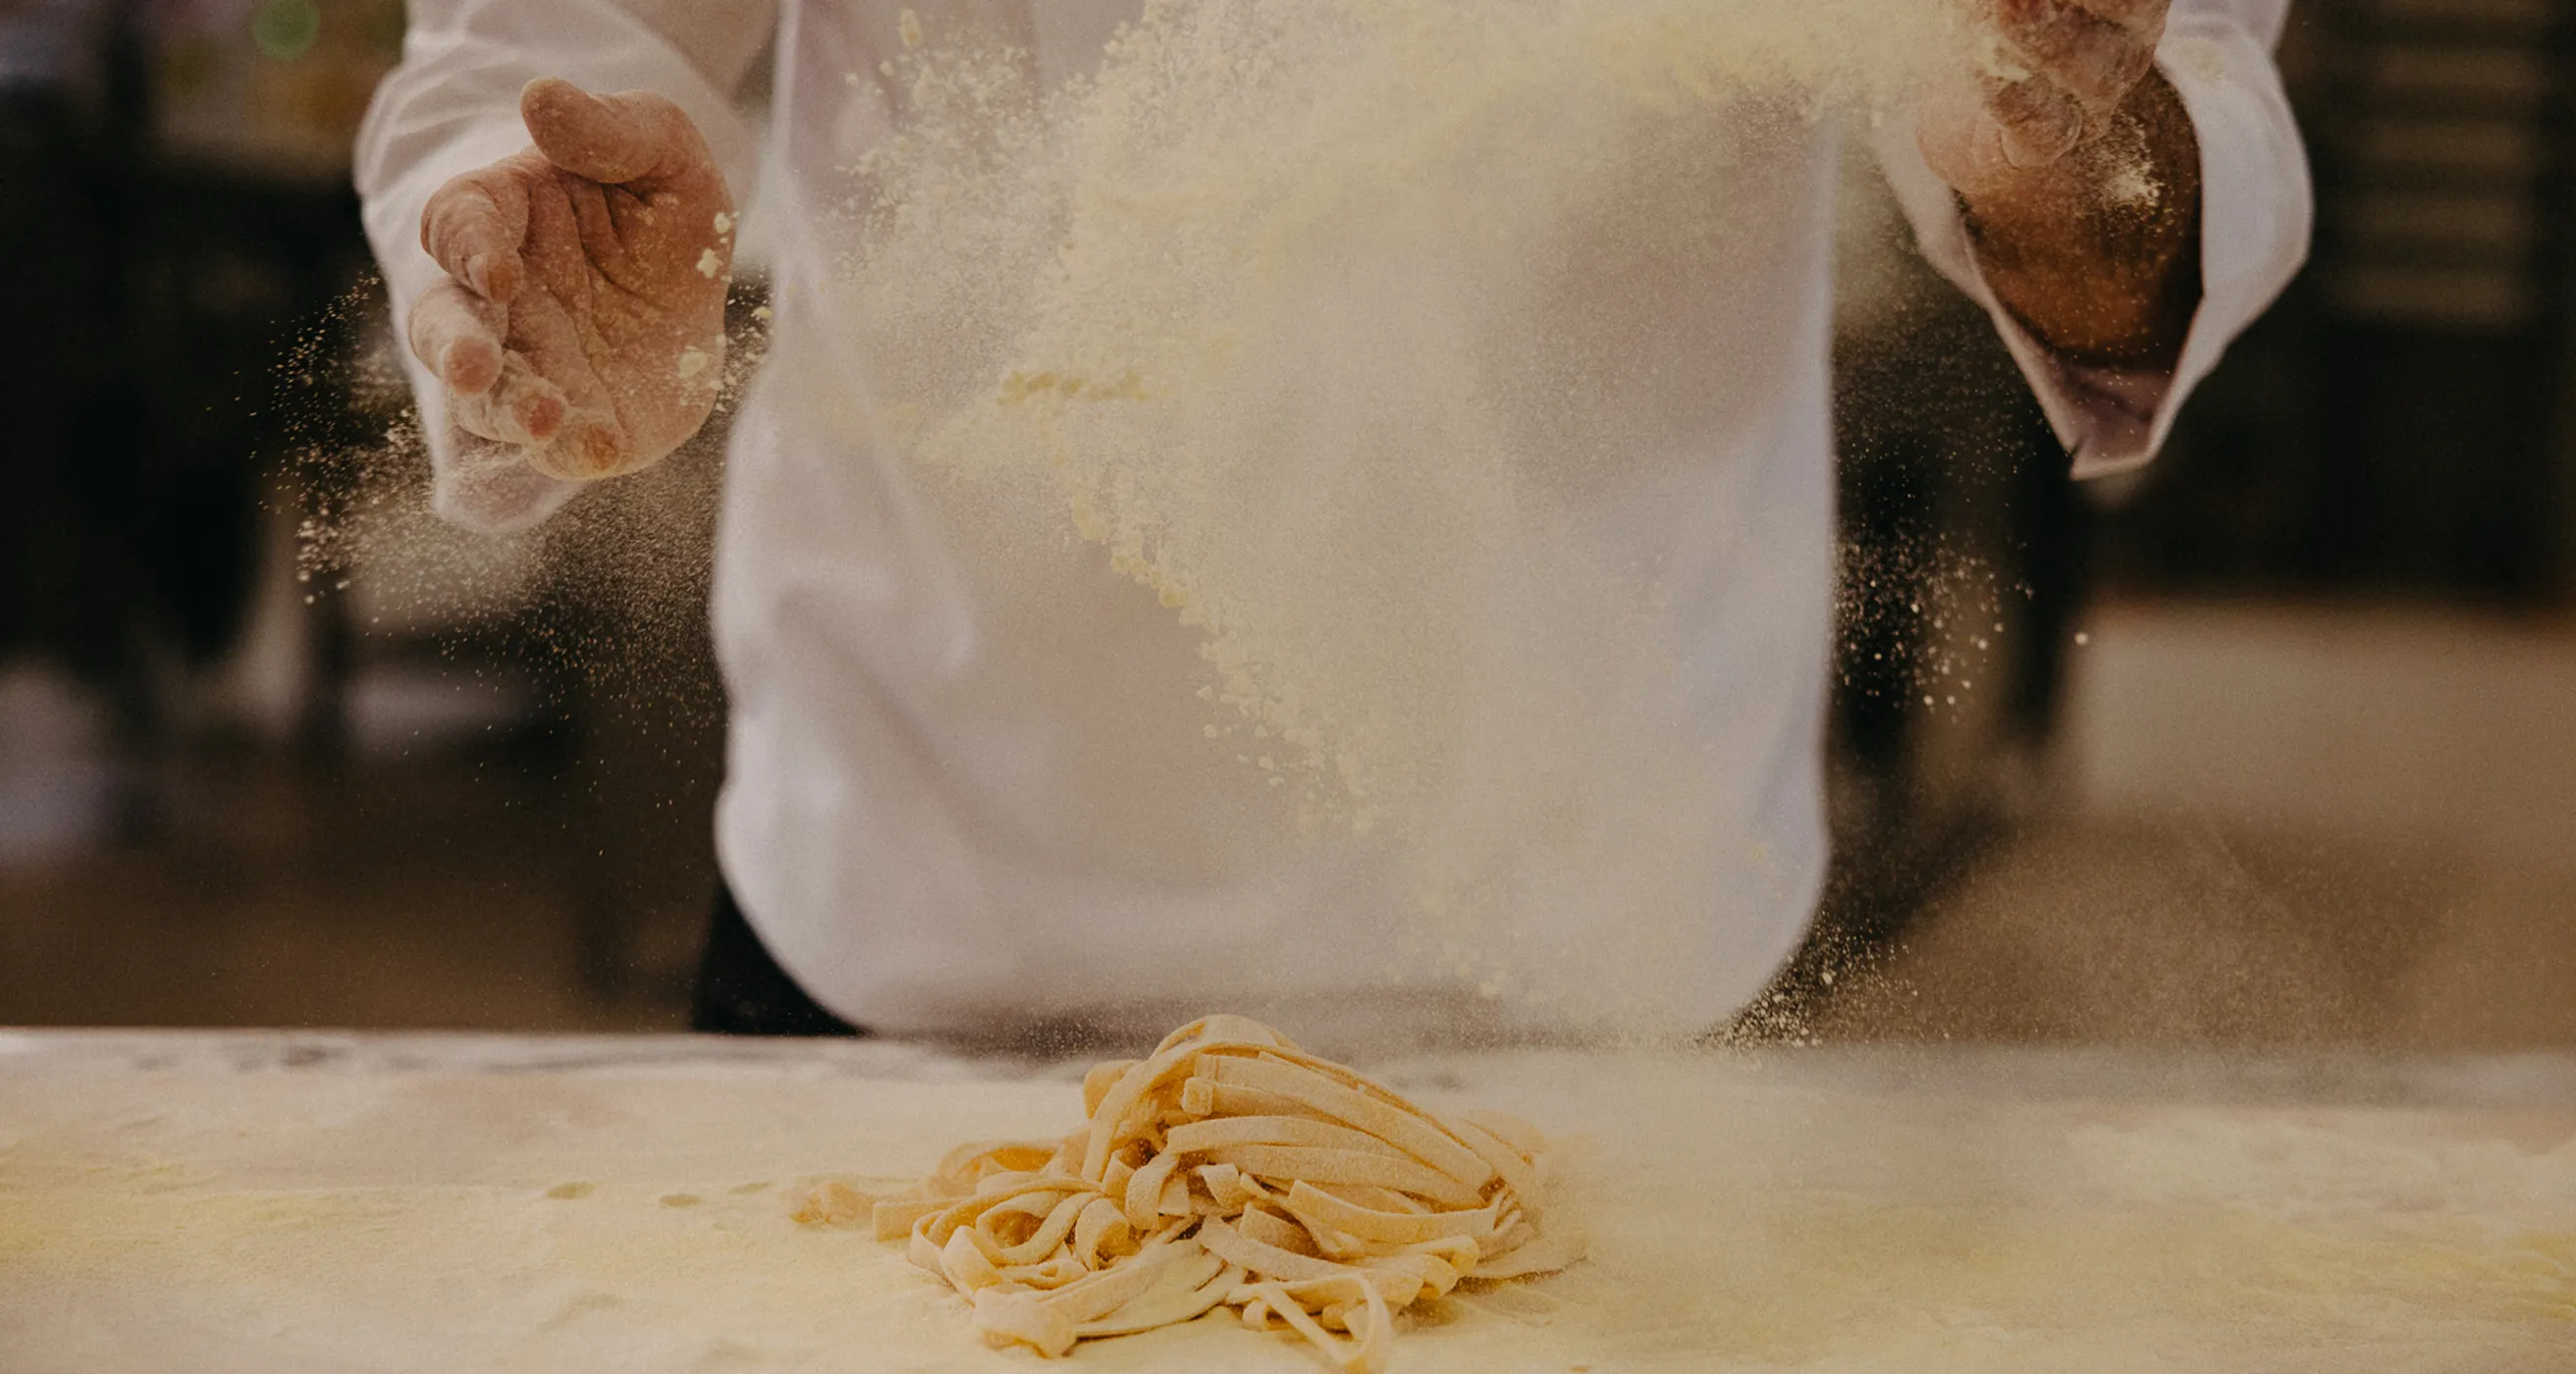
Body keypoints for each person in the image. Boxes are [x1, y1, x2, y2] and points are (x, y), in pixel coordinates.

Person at [355, 0, 2309, 1043]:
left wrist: (2057, 138)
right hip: (935, 917)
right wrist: (541, 227)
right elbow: (548, 37)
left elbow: (2152, 146)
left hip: (1596, 950)